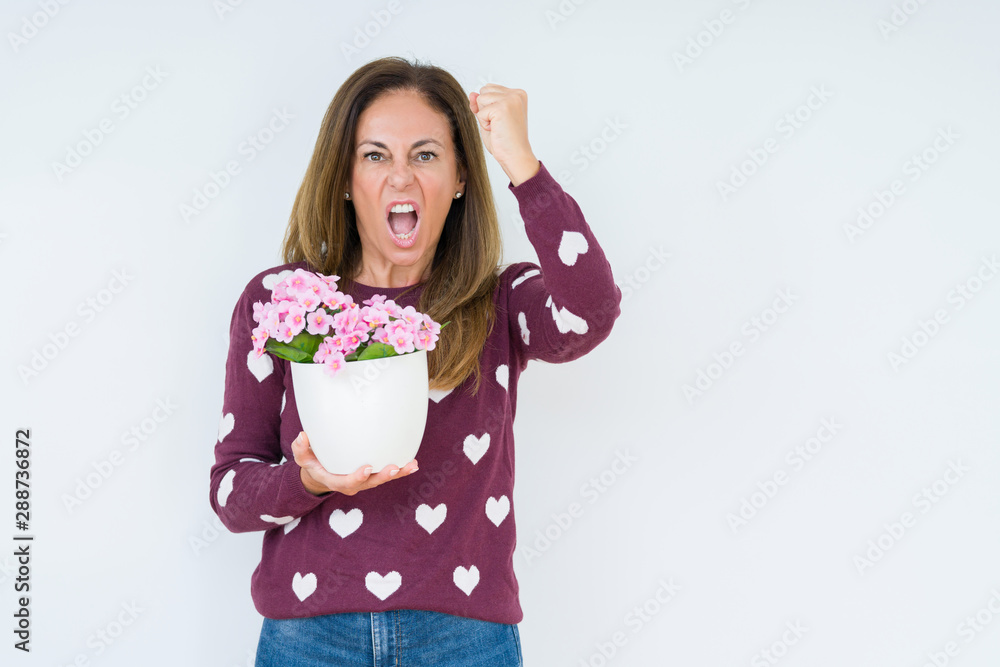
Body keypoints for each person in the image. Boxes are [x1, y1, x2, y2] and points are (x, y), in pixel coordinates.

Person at [209, 55, 622, 666]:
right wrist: (308, 480)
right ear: (345, 176)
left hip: (465, 641)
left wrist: (522, 166)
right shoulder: (282, 303)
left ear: (459, 178)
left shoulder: (500, 303)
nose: (400, 178)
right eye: (375, 155)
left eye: (425, 155)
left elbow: (590, 310)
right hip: (309, 641)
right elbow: (230, 492)